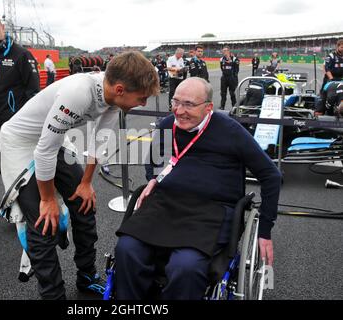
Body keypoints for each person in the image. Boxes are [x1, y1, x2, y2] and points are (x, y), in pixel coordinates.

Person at [0, 51, 159, 299]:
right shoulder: (78, 93)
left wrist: (86, 183)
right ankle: (53, 294)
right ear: (120, 89)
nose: (144, 103)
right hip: (20, 143)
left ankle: (86, 275)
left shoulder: (112, 96)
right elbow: (44, 152)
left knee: (85, 204)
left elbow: (100, 142)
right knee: (44, 222)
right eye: (142, 98)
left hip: (52, 141)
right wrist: (48, 199)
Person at [114, 77, 282, 300]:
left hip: (211, 211)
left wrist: (265, 231)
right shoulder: (166, 126)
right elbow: (153, 161)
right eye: (175, 102)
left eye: (189, 105)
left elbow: (271, 175)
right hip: (166, 204)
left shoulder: (231, 131)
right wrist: (155, 178)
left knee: (185, 266)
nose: (179, 111)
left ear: (208, 107)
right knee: (127, 249)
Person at [0, 12, 40, 176]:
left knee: (20, 162)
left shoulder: (21, 54)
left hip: (15, 120)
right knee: (1, 162)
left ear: (2, 28)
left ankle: (29, 200)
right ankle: (12, 199)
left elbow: (33, 92)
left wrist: (28, 121)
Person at [316, 40, 343, 116]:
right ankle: (319, 111)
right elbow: (326, 68)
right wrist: (331, 79)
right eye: (342, 47)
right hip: (330, 79)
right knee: (324, 95)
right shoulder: (331, 56)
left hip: (341, 79)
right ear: (337, 47)